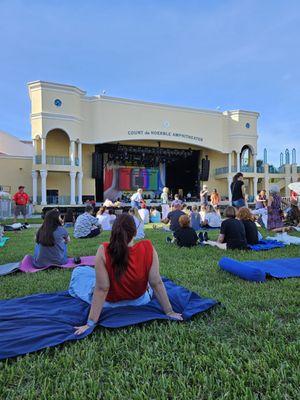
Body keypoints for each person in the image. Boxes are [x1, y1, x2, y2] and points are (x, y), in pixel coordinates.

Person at [72, 214, 182, 335]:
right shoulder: (148, 248)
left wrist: (90, 323)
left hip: (109, 304)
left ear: (113, 231)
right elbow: (156, 282)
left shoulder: (104, 250)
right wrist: (169, 312)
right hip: (139, 301)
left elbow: (102, 289)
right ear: (135, 232)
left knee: (80, 271)